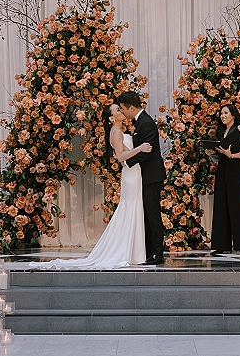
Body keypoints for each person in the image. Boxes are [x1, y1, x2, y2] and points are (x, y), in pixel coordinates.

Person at [29, 103, 151, 270]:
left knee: (134, 209)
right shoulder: (115, 133)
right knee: (129, 209)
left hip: (136, 173)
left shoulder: (120, 131)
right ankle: (125, 251)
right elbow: (121, 156)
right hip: (130, 173)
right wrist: (140, 149)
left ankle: (134, 252)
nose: (121, 111)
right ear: (111, 117)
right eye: (117, 110)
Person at [118, 91, 167, 265]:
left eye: (123, 109)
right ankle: (149, 251)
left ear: (131, 107)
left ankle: (157, 253)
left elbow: (148, 152)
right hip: (145, 176)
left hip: (151, 175)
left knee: (153, 214)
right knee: (147, 213)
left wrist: (126, 162)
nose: (122, 112)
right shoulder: (140, 122)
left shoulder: (145, 123)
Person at [208, 104, 240, 255]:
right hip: (223, 169)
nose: (223, 116)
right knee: (221, 204)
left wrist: (231, 155)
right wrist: (211, 152)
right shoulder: (222, 132)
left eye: (226, 113)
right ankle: (221, 244)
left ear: (233, 115)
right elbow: (220, 153)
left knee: (237, 205)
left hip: (235, 168)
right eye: (221, 113)